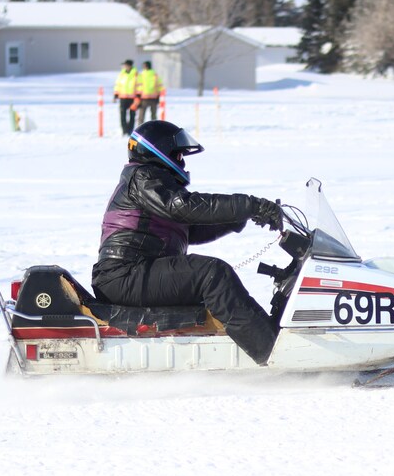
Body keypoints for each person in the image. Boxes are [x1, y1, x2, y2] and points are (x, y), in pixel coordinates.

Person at [92, 120, 284, 365]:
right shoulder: (143, 177)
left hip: (130, 274)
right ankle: (273, 353)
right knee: (212, 274)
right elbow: (182, 207)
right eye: (178, 153)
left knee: (210, 275)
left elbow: (188, 230)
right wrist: (250, 204)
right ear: (159, 152)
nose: (182, 159)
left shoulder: (149, 182)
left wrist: (235, 218)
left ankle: (265, 339)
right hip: (124, 275)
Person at [113, 59, 138, 135]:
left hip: (132, 98)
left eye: (126, 65)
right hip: (123, 97)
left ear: (130, 66)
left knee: (132, 115)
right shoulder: (122, 74)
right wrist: (116, 94)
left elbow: (139, 85)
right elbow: (118, 85)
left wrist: (138, 96)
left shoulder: (135, 74)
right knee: (122, 114)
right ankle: (124, 130)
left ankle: (130, 129)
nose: (125, 67)